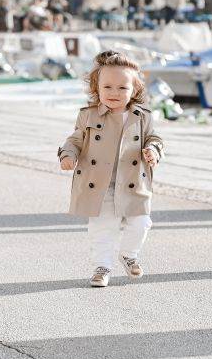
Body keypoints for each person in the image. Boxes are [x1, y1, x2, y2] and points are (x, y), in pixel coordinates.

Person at [58, 51, 164, 287]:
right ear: (97, 87)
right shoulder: (88, 115)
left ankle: (129, 254)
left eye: (122, 88)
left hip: (134, 181)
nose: (114, 93)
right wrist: (68, 155)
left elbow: (154, 139)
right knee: (102, 227)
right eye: (108, 87)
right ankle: (102, 266)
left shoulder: (142, 117)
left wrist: (153, 151)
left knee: (141, 223)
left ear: (134, 90)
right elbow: (74, 140)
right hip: (99, 183)